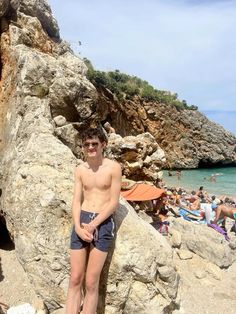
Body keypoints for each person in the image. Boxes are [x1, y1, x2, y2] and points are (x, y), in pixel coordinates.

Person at [66, 127, 122, 314]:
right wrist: (78, 226)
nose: (90, 147)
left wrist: (94, 223)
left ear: (103, 145)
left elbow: (113, 202)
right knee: (75, 278)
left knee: (91, 281)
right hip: (82, 220)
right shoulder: (80, 170)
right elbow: (76, 201)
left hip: (103, 222)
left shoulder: (113, 168)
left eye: (94, 144)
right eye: (87, 144)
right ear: (82, 147)